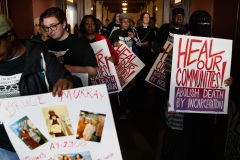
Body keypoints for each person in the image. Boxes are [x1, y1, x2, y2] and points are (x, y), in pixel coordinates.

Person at [0, 13, 81, 159]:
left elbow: (72, 81)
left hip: (37, 144)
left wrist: (68, 82)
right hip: (3, 146)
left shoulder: (41, 58)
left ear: (10, 37)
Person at [41, 7, 98, 78]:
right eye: (46, 27)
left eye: (53, 26)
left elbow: (94, 71)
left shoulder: (81, 43)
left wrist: (72, 69)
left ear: (64, 24)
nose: (50, 31)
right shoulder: (45, 46)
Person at [109, 13, 141, 119]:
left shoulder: (133, 31)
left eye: (128, 22)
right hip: (119, 63)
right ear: (120, 22)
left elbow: (139, 44)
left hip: (130, 63)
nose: (126, 24)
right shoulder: (115, 31)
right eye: (124, 22)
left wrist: (134, 37)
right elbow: (108, 44)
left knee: (130, 87)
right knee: (121, 87)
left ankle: (127, 106)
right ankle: (122, 111)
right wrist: (114, 44)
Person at [136, 12, 155, 96]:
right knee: (139, 73)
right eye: (145, 17)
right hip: (139, 53)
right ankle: (138, 90)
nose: (146, 19)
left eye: (148, 17)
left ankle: (144, 91)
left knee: (146, 72)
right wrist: (143, 44)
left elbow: (152, 42)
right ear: (142, 18)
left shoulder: (151, 30)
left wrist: (149, 44)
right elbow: (135, 42)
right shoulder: (137, 29)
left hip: (147, 54)